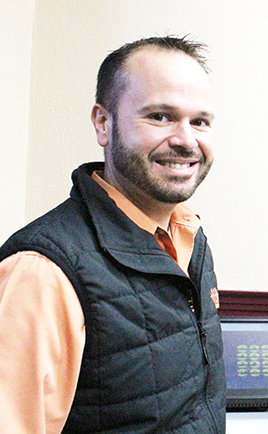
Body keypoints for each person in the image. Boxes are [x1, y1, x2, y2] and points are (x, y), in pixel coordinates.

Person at [0, 36, 226, 433]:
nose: (186, 140)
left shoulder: (189, 238)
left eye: (200, 122)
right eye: (159, 116)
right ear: (103, 123)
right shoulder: (41, 273)